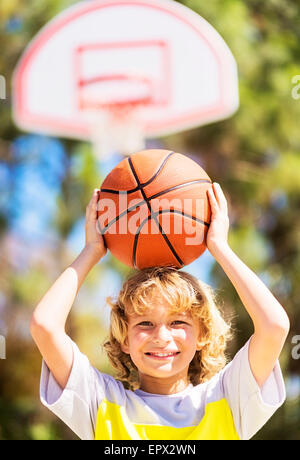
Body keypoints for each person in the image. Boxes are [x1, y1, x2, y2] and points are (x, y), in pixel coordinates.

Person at [30, 183, 290, 440]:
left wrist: (220, 247)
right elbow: (44, 326)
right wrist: (91, 250)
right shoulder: (103, 403)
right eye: (145, 324)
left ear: (202, 334)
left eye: (177, 322)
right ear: (124, 340)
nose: (161, 336)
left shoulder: (227, 398)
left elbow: (274, 327)